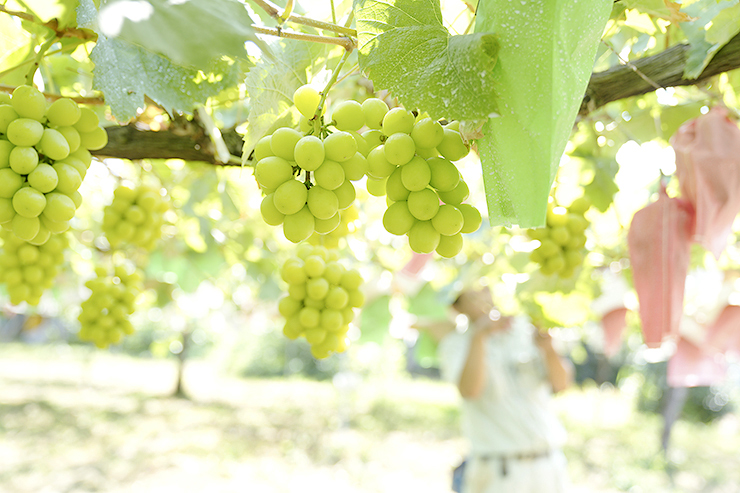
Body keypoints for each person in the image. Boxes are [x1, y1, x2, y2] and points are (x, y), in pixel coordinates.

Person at [433, 288, 574, 493]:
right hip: (498, 469)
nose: (484, 299)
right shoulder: (456, 344)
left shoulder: (527, 331)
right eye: (473, 296)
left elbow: (562, 385)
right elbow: (470, 390)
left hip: (548, 464)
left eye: (486, 290)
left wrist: (549, 349)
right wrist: (479, 337)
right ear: (457, 307)